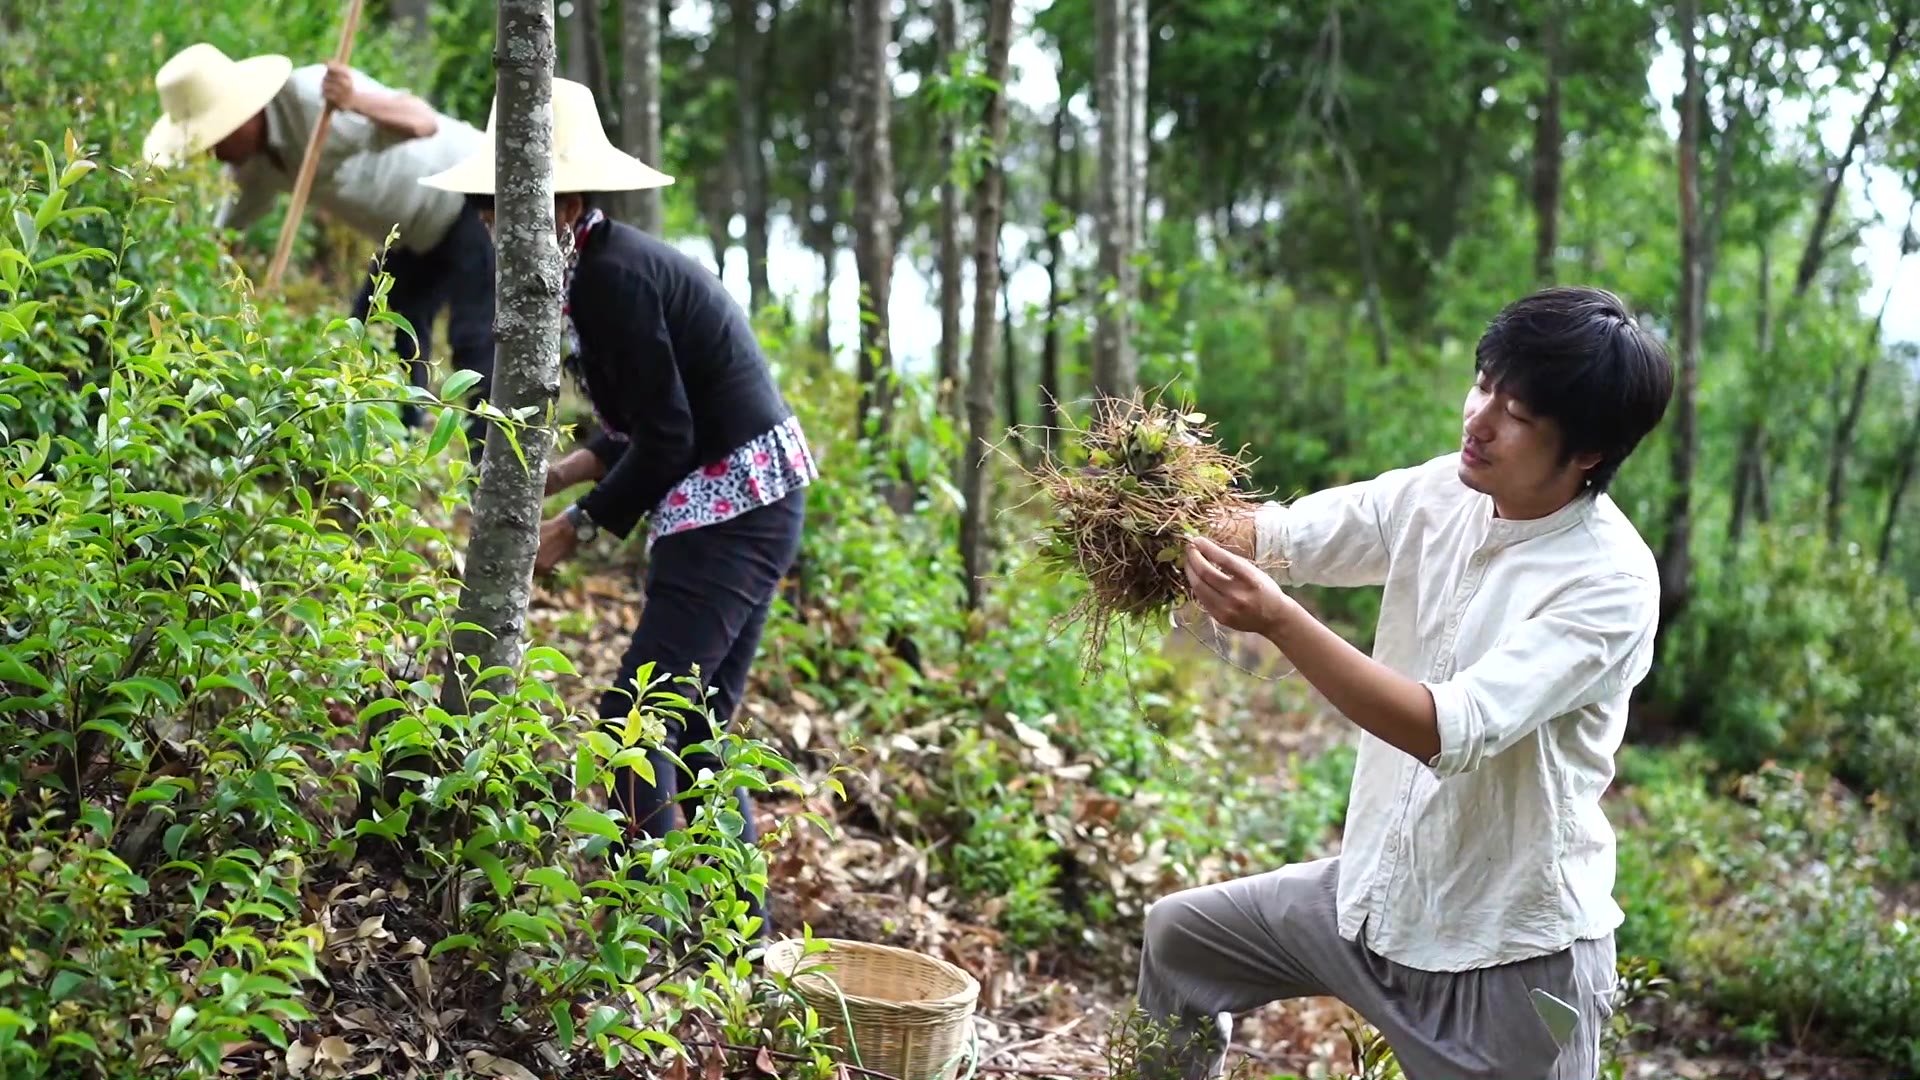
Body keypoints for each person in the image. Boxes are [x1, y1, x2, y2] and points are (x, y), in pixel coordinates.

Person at [1145, 285, 1675, 1080]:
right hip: (1377, 898)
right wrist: (1157, 516)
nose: (1479, 419)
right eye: (1483, 384)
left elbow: (1445, 729)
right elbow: (1283, 535)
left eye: (1518, 414)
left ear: (1589, 452)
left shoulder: (1611, 581)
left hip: (1506, 956)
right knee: (1181, 939)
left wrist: (1280, 622)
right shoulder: (1441, 491)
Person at [418, 78, 818, 939]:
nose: (491, 221)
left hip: (734, 507)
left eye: (506, 201)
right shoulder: (588, 274)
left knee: (636, 719)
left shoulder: (613, 279)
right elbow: (637, 421)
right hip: (740, 500)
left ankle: (648, 929)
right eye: (485, 203)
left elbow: (668, 436)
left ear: (561, 198)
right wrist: (552, 477)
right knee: (695, 726)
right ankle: (732, 941)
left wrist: (579, 526)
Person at [144, 42, 495, 446]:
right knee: (372, 331)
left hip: (469, 194)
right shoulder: (253, 163)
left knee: (474, 341)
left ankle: (490, 476)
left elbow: (421, 122)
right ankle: (397, 452)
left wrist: (354, 100)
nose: (211, 151)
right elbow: (224, 238)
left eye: (214, 136)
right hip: (413, 233)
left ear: (243, 116)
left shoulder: (313, 99)